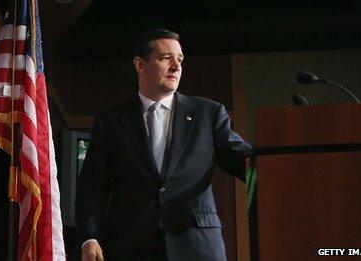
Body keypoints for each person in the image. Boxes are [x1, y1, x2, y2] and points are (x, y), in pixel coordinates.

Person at [76, 28, 252, 261]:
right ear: (140, 64)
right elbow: (92, 188)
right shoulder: (111, 122)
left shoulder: (208, 114)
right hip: (132, 245)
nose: (176, 66)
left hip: (196, 245)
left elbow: (244, 161)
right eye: (165, 58)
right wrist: (90, 237)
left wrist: (284, 162)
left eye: (179, 59)